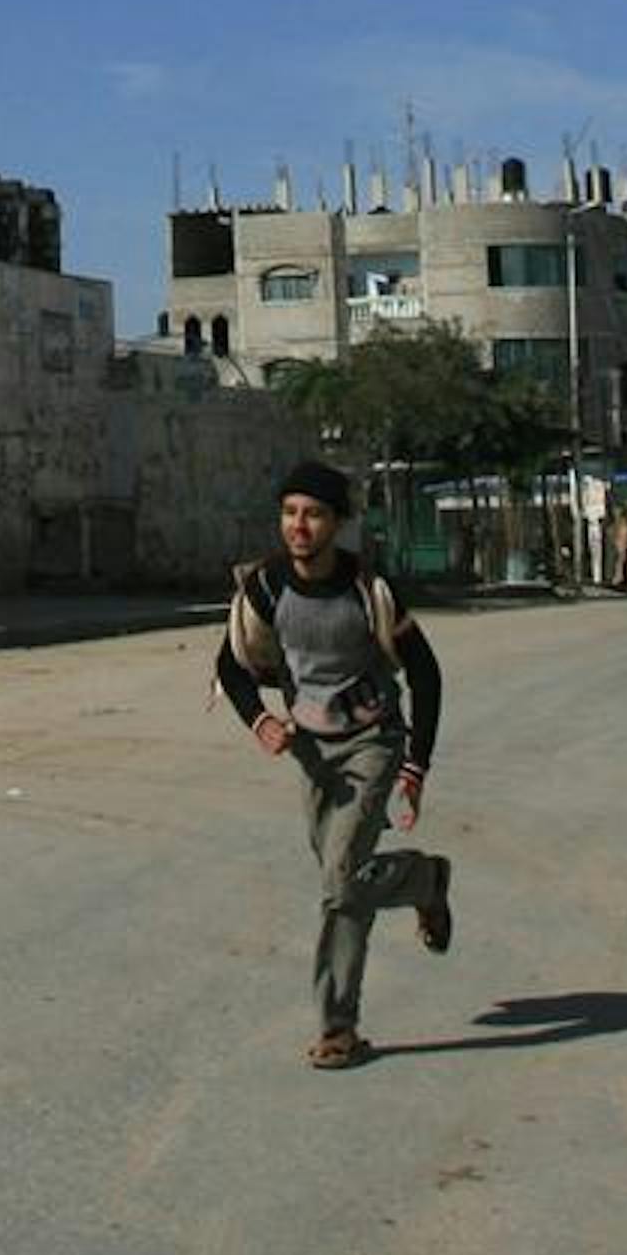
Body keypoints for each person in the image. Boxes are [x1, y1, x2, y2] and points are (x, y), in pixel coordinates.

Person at [210, 457, 452, 1069]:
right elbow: (232, 667)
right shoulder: (265, 587)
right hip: (312, 752)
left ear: (337, 523)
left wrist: (415, 765)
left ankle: (338, 1028)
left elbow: (424, 673)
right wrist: (261, 721)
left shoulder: (367, 589)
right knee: (340, 874)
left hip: (373, 742)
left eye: (314, 514)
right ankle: (424, 881)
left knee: (340, 882)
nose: (300, 526)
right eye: (290, 513)